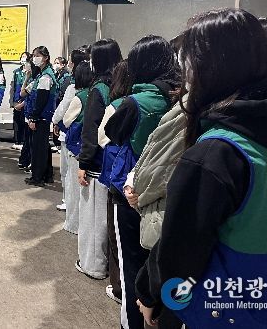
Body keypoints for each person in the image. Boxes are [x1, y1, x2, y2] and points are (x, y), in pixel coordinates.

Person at [135, 9, 267, 328]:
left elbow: (180, 252)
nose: (184, 70)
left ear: (214, 66)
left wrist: (151, 295)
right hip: (261, 303)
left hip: (213, 309)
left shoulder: (214, 153)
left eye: (189, 59)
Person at [104, 36, 178, 329]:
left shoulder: (134, 103)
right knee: (160, 263)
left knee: (131, 264)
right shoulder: (181, 100)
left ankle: (132, 323)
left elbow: (112, 133)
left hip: (131, 191)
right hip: (168, 195)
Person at [76, 38, 122, 280]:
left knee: (93, 217)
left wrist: (83, 163)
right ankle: (109, 267)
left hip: (97, 163)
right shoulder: (123, 85)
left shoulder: (99, 89)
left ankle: (93, 265)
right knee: (109, 219)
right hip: (116, 161)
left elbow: (90, 129)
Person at [97, 59, 130, 305]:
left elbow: (101, 138)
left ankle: (119, 287)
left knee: (117, 233)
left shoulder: (120, 105)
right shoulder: (166, 102)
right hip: (142, 179)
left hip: (118, 176)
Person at [52, 46, 90, 211]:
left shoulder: (72, 87)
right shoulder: (93, 87)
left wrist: (55, 122)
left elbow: (63, 110)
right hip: (83, 136)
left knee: (67, 171)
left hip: (70, 134)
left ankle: (68, 201)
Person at [63, 60, 93, 234]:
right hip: (92, 150)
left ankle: (73, 225)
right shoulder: (101, 92)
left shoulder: (80, 96)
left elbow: (67, 120)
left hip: (77, 148)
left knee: (74, 190)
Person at [24, 46, 58, 186]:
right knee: (44, 147)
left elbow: (41, 99)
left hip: (42, 116)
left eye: (37, 55)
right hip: (43, 116)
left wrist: (34, 117)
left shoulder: (45, 77)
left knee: (39, 148)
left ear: (45, 58)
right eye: (33, 55)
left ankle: (37, 177)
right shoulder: (42, 74)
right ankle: (47, 175)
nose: (34, 58)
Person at [18, 57, 36, 171]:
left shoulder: (34, 80)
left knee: (31, 141)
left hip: (32, 114)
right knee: (27, 140)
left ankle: (30, 163)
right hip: (28, 112)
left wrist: (26, 78)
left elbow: (22, 93)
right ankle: (25, 161)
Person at [10, 52, 31, 151]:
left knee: (24, 122)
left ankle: (23, 141)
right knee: (16, 121)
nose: (23, 59)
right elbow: (13, 87)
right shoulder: (16, 72)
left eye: (25, 57)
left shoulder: (30, 73)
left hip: (24, 101)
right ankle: (17, 140)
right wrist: (12, 101)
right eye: (22, 57)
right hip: (16, 100)